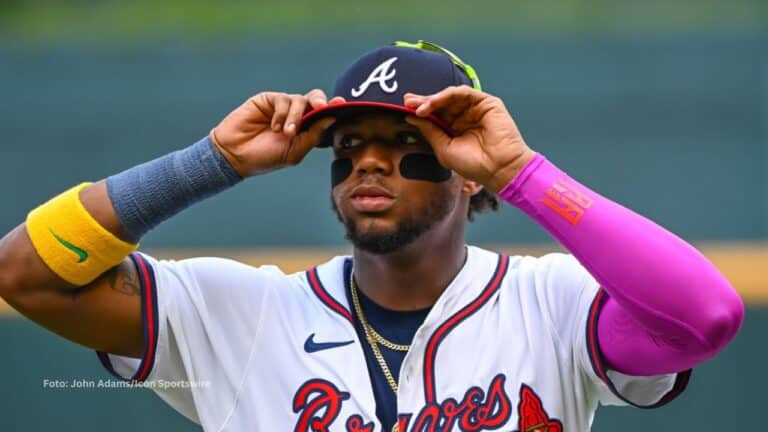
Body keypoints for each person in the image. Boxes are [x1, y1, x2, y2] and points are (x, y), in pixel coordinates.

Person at [0, 40, 744, 432]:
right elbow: (24, 273)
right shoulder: (238, 315)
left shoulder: (552, 305)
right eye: (349, 142)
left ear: (467, 171)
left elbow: (705, 314)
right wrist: (209, 165)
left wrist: (522, 172)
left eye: (405, 138)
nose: (369, 158)